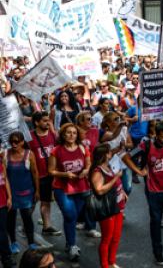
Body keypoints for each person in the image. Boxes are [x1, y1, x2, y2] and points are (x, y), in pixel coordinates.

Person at [122, 120, 163, 266]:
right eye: (162, 137)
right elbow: (126, 157)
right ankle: (158, 254)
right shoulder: (145, 145)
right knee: (155, 223)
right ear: (155, 135)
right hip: (154, 192)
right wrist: (139, 171)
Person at [48, 123, 91, 262]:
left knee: (73, 216)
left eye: (74, 133)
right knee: (71, 215)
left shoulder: (83, 148)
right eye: (69, 132)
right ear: (63, 134)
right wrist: (65, 175)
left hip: (80, 187)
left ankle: (69, 241)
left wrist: (86, 170)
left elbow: (89, 164)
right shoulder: (57, 150)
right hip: (62, 187)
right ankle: (72, 246)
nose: (72, 135)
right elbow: (51, 171)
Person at [89, 143, 127, 268]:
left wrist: (122, 191)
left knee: (116, 237)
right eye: (109, 152)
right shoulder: (97, 171)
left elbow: (114, 185)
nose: (111, 153)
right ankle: (104, 265)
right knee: (107, 238)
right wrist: (116, 178)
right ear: (105, 155)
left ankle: (111, 262)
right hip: (107, 209)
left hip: (117, 207)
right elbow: (99, 190)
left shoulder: (108, 167)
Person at [28, 111, 61, 237]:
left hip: (49, 175)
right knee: (32, 201)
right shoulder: (29, 137)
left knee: (46, 201)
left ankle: (46, 227)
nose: (48, 123)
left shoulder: (53, 136)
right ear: (36, 123)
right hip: (34, 175)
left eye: (49, 120)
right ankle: (27, 224)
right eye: (45, 121)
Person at [4, 132, 38, 254]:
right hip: (11, 193)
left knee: (27, 218)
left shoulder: (30, 155)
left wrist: (37, 190)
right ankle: (13, 243)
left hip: (26, 192)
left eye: (17, 141)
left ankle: (31, 243)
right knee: (10, 219)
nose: (14, 144)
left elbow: (34, 173)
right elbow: (4, 177)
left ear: (23, 142)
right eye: (12, 141)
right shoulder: (5, 155)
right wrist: (8, 195)